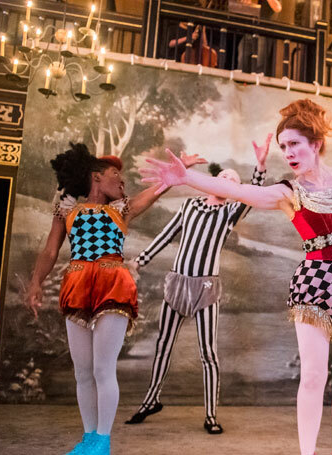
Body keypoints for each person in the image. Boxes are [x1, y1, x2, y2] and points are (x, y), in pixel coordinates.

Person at [140, 99, 332, 455]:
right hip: (315, 284)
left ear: (316, 143)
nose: (288, 152)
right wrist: (186, 177)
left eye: (294, 143)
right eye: (283, 146)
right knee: (312, 377)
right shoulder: (287, 192)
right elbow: (241, 192)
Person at [25, 143, 205, 455]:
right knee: (83, 371)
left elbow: (156, 191)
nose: (122, 180)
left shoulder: (123, 209)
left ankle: (103, 440)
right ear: (96, 177)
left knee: (102, 369)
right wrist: (35, 283)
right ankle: (89, 438)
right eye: (114, 173)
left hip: (112, 284)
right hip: (78, 284)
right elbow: (51, 251)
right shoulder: (66, 210)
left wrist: (176, 174)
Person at [125, 136, 270, 434]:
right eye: (225, 178)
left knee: (208, 352)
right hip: (177, 283)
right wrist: (140, 260)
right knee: (163, 344)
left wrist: (260, 165)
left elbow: (252, 195)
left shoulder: (229, 213)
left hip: (206, 288)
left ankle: (211, 415)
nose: (228, 183)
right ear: (215, 182)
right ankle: (150, 400)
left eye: (234, 182)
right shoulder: (190, 206)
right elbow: (166, 235)